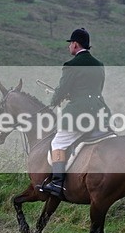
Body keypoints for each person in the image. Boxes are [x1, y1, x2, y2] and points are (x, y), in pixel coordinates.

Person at [38, 27, 110, 198]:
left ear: (75, 44)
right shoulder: (99, 65)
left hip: (79, 115)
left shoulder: (71, 65)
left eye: (70, 43)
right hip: (100, 113)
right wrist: (76, 94)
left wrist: (54, 101)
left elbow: (62, 90)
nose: (69, 47)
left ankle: (56, 183)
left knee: (58, 143)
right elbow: (94, 89)